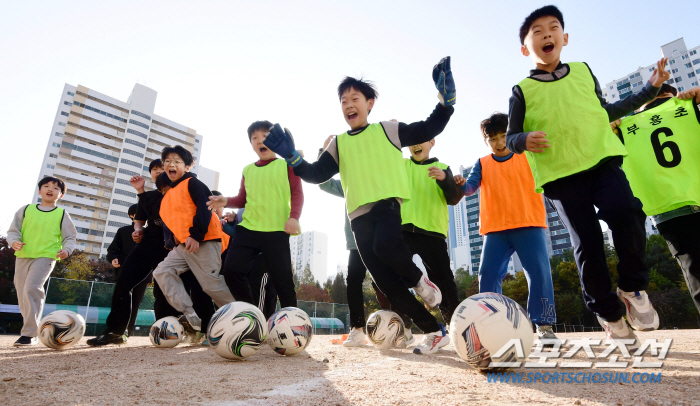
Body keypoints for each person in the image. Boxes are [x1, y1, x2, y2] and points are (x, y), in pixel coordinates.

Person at [262, 57, 455, 354]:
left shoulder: (388, 130)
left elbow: (428, 126)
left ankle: (421, 281)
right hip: (358, 219)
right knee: (387, 285)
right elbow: (315, 174)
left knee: (387, 247)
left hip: (387, 206)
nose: (349, 104)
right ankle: (434, 331)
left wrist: (446, 102)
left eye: (355, 98)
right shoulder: (338, 143)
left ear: (370, 103)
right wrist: (291, 157)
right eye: (343, 101)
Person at [507, 5, 669, 346]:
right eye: (537, 31)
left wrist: (650, 90)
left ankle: (632, 287)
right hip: (561, 177)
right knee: (589, 243)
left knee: (627, 212)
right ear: (525, 48)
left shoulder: (582, 71)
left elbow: (604, 111)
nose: (547, 34)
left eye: (553, 28)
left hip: (601, 161)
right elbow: (510, 138)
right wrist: (524, 139)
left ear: (565, 38)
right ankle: (608, 313)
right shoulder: (522, 90)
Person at [455, 113, 558, 340]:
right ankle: (489, 324)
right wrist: (459, 185)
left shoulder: (528, 155)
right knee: (488, 275)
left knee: (539, 274)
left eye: (503, 136)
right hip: (495, 230)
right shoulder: (482, 163)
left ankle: (544, 325)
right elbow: (469, 188)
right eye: (492, 139)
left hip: (529, 223)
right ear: (485, 141)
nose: (499, 143)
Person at [317, 136, 414, 348]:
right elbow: (323, 184)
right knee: (353, 282)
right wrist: (323, 153)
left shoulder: (382, 179)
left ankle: (404, 327)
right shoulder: (349, 184)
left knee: (387, 284)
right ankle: (357, 330)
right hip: (356, 242)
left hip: (382, 241)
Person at [611, 85, 700, 314]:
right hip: (685, 202)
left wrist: (609, 131)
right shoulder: (688, 110)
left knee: (697, 275)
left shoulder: (625, 128)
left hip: (669, 210)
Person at [208, 120, 302, 310]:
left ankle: (294, 323)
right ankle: (252, 313)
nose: (260, 141)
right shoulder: (248, 170)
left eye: (265, 137)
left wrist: (294, 217)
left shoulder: (287, 165)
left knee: (283, 280)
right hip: (248, 229)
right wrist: (225, 201)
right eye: (255, 138)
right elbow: (243, 199)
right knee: (232, 271)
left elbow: (297, 193)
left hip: (276, 230)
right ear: (251, 144)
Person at [89, 162, 183, 346]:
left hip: (171, 249)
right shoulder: (147, 197)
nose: (158, 171)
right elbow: (139, 220)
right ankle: (115, 331)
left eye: (161, 168)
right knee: (124, 282)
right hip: (148, 244)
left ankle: (166, 330)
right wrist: (138, 230)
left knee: (163, 290)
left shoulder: (180, 194)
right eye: (154, 169)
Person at [152, 145, 234, 333]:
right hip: (184, 246)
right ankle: (190, 315)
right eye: (167, 162)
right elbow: (176, 223)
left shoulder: (193, 183)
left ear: (187, 167)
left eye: (177, 161)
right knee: (162, 272)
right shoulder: (167, 198)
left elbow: (205, 208)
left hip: (204, 240)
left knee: (210, 285)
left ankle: (242, 315)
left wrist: (196, 235)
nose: (171, 164)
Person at [8, 176, 77, 346]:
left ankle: (30, 334)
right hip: (23, 255)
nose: (50, 189)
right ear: (39, 191)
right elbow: (13, 231)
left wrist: (67, 250)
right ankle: (31, 328)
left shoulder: (62, 214)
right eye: (46, 186)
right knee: (22, 293)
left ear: (60, 195)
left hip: (46, 256)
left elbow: (70, 237)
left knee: (32, 288)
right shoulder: (25, 210)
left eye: (55, 188)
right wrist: (14, 241)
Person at [401, 137, 463, 327]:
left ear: (432, 143)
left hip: (432, 232)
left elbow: (454, 198)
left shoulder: (443, 167)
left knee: (443, 279)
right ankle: (403, 324)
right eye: (412, 141)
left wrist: (446, 180)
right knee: (394, 275)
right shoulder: (401, 165)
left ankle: (454, 325)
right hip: (403, 229)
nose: (416, 144)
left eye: (421, 140)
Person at [213, 191, 278, 319]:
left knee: (262, 290)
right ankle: (255, 323)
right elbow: (240, 234)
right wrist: (229, 224)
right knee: (253, 289)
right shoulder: (242, 208)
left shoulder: (269, 203)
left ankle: (260, 324)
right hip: (248, 256)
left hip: (264, 254)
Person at [105, 204, 146, 337]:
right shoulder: (123, 231)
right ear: (131, 215)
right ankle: (113, 330)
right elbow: (112, 250)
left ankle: (127, 332)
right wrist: (113, 259)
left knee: (135, 303)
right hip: (123, 272)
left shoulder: (151, 232)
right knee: (120, 301)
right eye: (138, 213)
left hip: (144, 274)